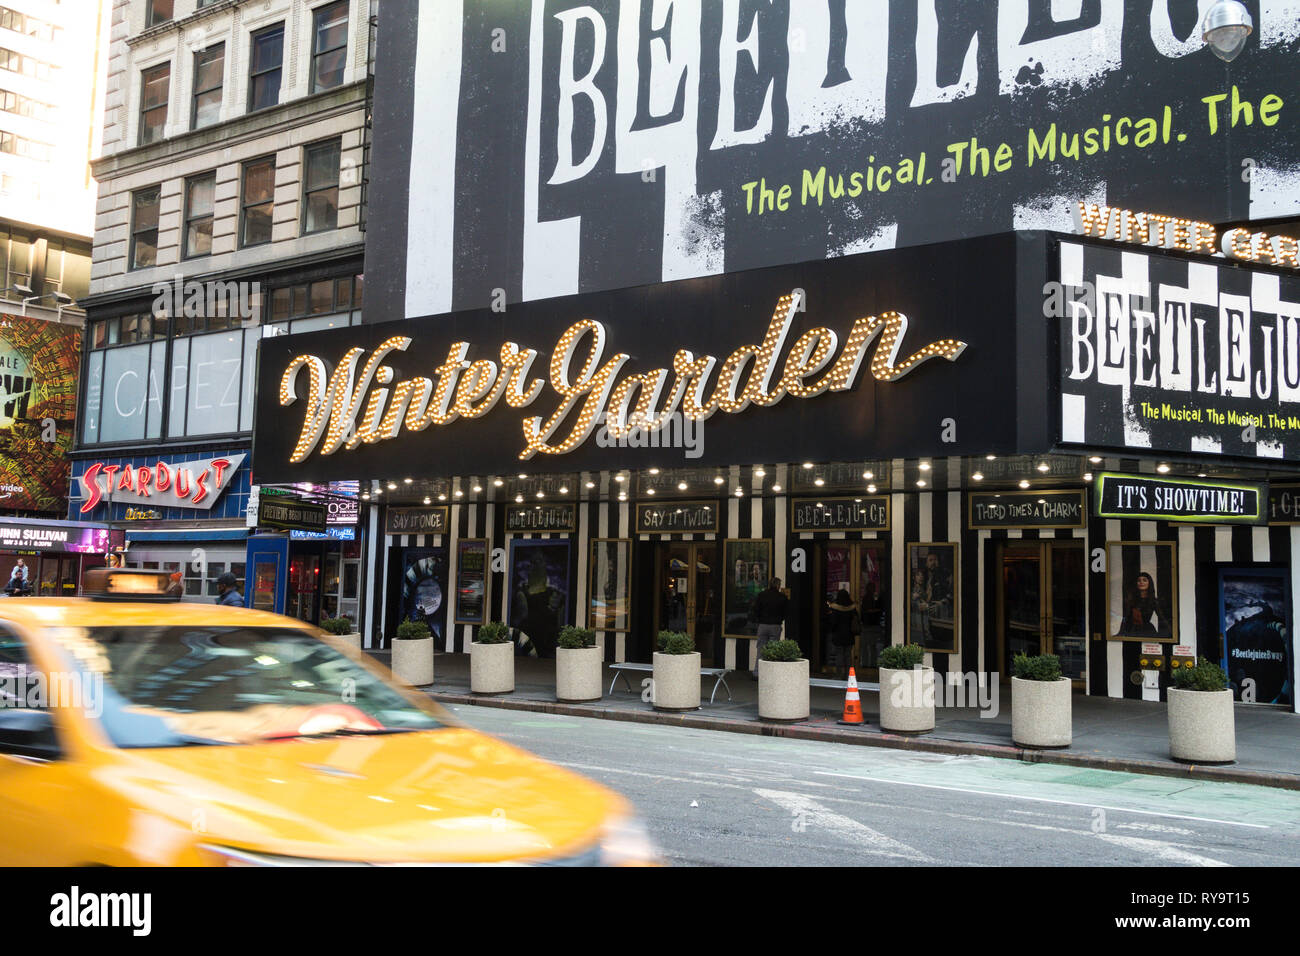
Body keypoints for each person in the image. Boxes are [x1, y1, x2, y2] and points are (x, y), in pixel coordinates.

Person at [750, 577, 788, 678]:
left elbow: (755, 609)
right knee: (773, 650)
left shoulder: (762, 595)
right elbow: (785, 612)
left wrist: (759, 619)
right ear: (778, 585)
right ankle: (770, 674)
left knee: (760, 650)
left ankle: (757, 673)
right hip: (775, 625)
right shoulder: (782, 597)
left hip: (762, 625)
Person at [1118, 571, 1170, 638]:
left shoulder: (1154, 601)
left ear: (1149, 583)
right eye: (1139, 580)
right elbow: (1125, 618)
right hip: (1131, 631)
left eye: (1144, 580)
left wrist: (1169, 632)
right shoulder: (1130, 600)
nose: (1141, 582)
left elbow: (1161, 618)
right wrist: (1121, 632)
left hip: (1147, 631)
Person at [826, 588, 858, 680]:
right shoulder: (852, 608)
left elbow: (832, 622)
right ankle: (848, 675)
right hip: (849, 634)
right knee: (848, 656)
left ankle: (839, 674)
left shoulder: (835, 608)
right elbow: (856, 620)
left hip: (838, 635)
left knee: (839, 655)